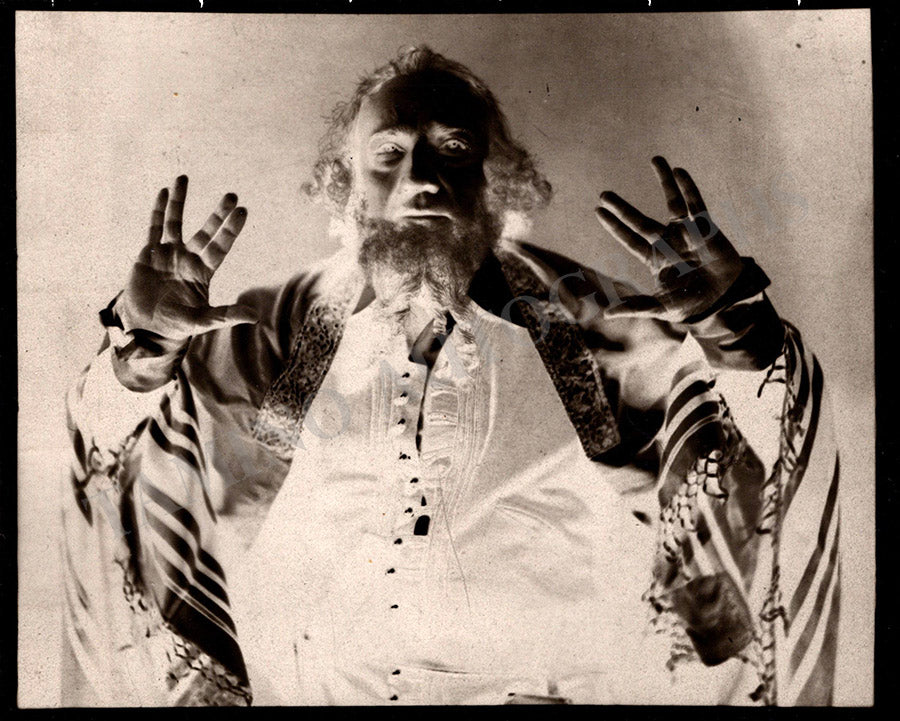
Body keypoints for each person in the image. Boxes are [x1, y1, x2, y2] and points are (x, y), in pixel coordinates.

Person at [60, 46, 841, 706]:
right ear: (349, 184)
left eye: (453, 148)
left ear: (494, 181)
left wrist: (736, 326)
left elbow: (749, 454)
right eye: (389, 153)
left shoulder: (583, 328)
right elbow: (133, 462)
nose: (421, 177)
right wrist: (143, 351)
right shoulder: (278, 333)